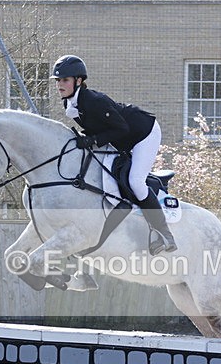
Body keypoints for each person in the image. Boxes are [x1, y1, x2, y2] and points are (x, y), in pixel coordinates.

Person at [50, 54, 177, 256]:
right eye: (58, 80)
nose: (59, 85)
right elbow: (98, 127)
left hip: (143, 133)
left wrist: (92, 140)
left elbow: (121, 128)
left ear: (79, 81)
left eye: (64, 80)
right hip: (121, 139)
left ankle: (165, 234)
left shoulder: (94, 101)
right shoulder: (70, 104)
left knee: (136, 182)